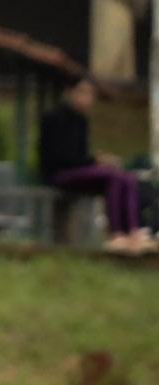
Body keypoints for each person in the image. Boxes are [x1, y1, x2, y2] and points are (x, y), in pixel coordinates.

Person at [40, 76, 154, 253]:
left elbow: (80, 155)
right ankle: (116, 234)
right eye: (82, 92)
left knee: (126, 177)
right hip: (58, 174)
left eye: (90, 94)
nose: (86, 98)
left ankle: (133, 233)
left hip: (77, 172)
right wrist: (96, 161)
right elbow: (59, 158)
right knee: (113, 175)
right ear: (70, 92)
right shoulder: (53, 118)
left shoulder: (82, 121)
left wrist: (98, 161)